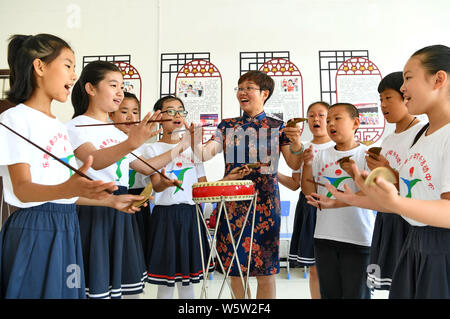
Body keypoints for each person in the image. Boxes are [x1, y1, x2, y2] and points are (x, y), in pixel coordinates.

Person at [0, 34, 144, 299]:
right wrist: (68, 187)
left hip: (66, 225)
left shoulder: (56, 124)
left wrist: (109, 202)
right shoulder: (14, 119)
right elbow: (22, 190)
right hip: (36, 227)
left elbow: (67, 193)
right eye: (67, 65)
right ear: (40, 67)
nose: (74, 75)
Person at [326, 45, 450, 298]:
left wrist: (395, 201)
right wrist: (356, 199)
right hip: (415, 243)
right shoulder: (423, 136)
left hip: (441, 250)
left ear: (438, 79)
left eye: (408, 78)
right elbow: (410, 200)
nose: (403, 87)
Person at [66, 61, 184, 299]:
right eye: (113, 85)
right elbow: (96, 160)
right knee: (95, 285)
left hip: (120, 208)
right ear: (90, 88)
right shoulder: (76, 126)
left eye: (122, 85)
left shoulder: (114, 131)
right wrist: (134, 140)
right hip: (93, 209)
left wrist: (182, 146)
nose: (120, 92)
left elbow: (145, 165)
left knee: (121, 289)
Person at [191, 70, 303, 299]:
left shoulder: (278, 127)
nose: (242, 92)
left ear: (265, 93)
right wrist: (194, 137)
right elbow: (204, 154)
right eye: (239, 88)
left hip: (266, 204)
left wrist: (297, 142)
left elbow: (293, 162)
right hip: (232, 203)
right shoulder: (226, 126)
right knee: (234, 268)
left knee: (266, 269)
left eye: (248, 88)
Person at [301, 102, 376, 299]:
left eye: (337, 118)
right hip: (324, 238)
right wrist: (307, 164)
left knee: (357, 294)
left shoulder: (365, 155)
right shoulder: (322, 155)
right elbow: (309, 192)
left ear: (356, 123)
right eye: (328, 121)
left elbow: (372, 195)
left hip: (358, 239)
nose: (330, 124)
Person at [143, 95, 214, 299]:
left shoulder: (194, 149)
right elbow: (156, 185)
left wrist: (228, 180)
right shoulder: (152, 149)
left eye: (180, 110)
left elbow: (203, 185)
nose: (177, 115)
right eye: (170, 111)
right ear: (159, 117)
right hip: (165, 217)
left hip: (191, 216)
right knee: (165, 282)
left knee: (188, 282)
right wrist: (164, 183)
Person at [363, 72, 426, 291]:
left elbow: (418, 186)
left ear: (405, 97)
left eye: (388, 97)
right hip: (386, 217)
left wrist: (387, 169)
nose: (383, 105)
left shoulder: (423, 133)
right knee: (394, 285)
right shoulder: (388, 140)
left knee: (412, 284)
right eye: (380, 99)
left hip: (410, 221)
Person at [278, 101, 334, 299]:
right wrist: (271, 173)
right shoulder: (302, 148)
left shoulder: (339, 145)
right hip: (309, 208)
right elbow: (295, 184)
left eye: (321, 115)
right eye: (311, 115)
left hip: (336, 209)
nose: (316, 119)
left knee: (337, 266)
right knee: (315, 268)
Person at [108, 92, 151, 255]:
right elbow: (146, 168)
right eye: (124, 112)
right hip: (114, 197)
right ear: (111, 113)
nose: (130, 117)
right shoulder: (112, 139)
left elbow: (149, 173)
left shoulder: (143, 145)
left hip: (138, 200)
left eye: (135, 112)